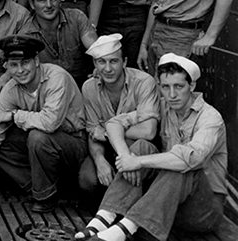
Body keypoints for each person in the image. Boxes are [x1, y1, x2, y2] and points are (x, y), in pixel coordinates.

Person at [74, 54, 227, 241]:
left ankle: (123, 230)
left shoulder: (211, 118)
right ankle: (104, 217)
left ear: (192, 86)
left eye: (179, 86)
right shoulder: (163, 107)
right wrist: (126, 156)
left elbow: (192, 158)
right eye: (165, 87)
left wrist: (137, 162)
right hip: (166, 202)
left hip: (202, 210)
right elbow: (113, 124)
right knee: (141, 146)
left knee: (183, 164)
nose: (171, 94)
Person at [0, 35, 88, 212]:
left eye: (25, 62)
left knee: (38, 137)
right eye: (14, 65)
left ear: (36, 61)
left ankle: (45, 197)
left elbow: (50, 123)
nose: (20, 70)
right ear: (6, 67)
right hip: (42, 149)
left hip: (73, 144)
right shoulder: (10, 89)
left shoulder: (56, 78)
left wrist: (15, 115)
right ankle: (47, 187)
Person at [77, 34, 160, 200]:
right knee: (88, 180)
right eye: (102, 62)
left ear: (125, 62)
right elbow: (93, 132)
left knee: (132, 158)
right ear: (95, 64)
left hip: (138, 150)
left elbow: (148, 131)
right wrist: (100, 160)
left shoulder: (144, 82)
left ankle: (126, 213)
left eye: (113, 61)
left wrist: (108, 133)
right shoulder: (89, 88)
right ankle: (108, 211)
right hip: (107, 149)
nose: (107, 69)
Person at [19, 0, 98, 87]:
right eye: (42, 0)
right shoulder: (26, 34)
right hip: (48, 88)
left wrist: (100, 67)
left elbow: (97, 49)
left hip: (81, 84)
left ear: (60, 1)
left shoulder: (77, 18)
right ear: (32, 4)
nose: (49, 5)